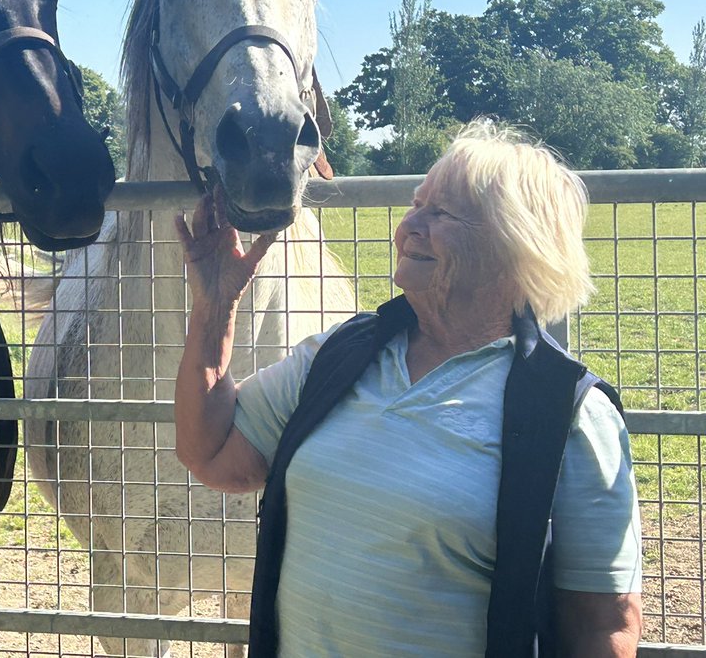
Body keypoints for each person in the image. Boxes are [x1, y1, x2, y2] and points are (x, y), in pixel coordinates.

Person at [174, 121, 642, 657]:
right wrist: (214, 309)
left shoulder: (568, 412)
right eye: (415, 205)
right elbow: (210, 453)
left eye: (440, 213)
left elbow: (604, 627)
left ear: (517, 241)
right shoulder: (339, 356)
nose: (407, 226)